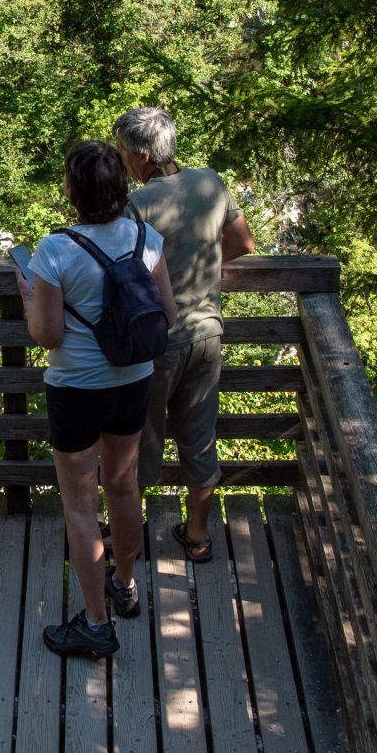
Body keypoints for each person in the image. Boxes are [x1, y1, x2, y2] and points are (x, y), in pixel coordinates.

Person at [15, 140, 177, 659]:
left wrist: (26, 293)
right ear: (121, 189)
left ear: (73, 192)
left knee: (81, 506)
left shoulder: (55, 250)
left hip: (76, 390)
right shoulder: (146, 238)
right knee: (124, 487)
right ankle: (125, 586)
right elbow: (167, 315)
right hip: (133, 381)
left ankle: (94, 622)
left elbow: (48, 336)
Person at [116, 105, 256, 564]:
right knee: (199, 438)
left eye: (122, 151)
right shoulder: (211, 183)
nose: (120, 161)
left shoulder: (139, 206)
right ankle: (197, 536)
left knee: (141, 441)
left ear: (141, 156)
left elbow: (121, 274)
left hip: (159, 342)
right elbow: (242, 244)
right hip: (208, 334)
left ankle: (129, 541)